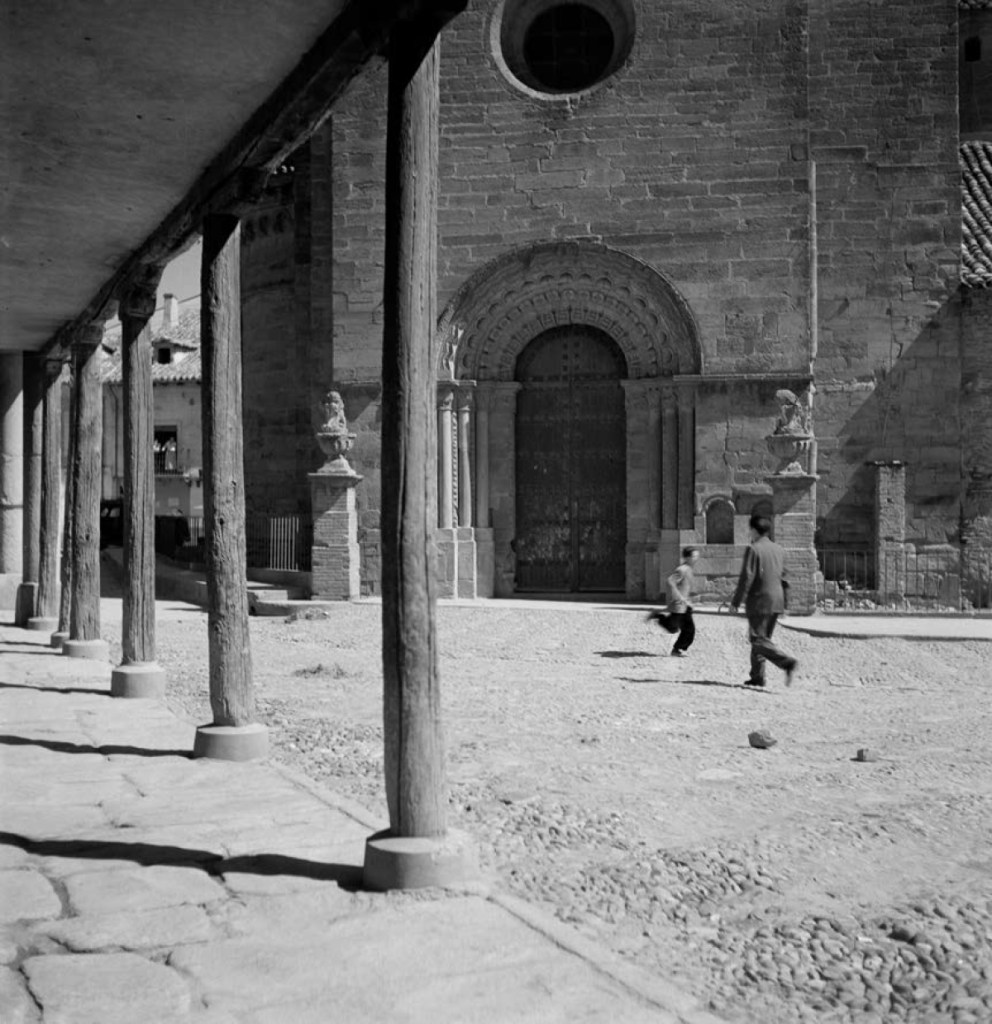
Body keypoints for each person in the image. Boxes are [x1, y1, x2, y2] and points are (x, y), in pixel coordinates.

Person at [730, 515, 798, 688]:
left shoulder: (754, 549)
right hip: (777, 600)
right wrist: (786, 603)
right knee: (763, 639)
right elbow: (785, 579)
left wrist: (736, 602)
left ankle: (786, 662)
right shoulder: (779, 550)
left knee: (757, 639)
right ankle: (757, 676)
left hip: (760, 600)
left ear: (753, 530)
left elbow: (747, 578)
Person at [646, 546, 699, 657]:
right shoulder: (682, 569)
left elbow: (684, 587)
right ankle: (658, 616)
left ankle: (677, 649)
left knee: (686, 629)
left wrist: (688, 600)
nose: (696, 558)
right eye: (694, 556)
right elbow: (670, 581)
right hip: (679, 605)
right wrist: (680, 597)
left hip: (685, 606)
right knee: (675, 628)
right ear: (687, 557)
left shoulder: (688, 569)